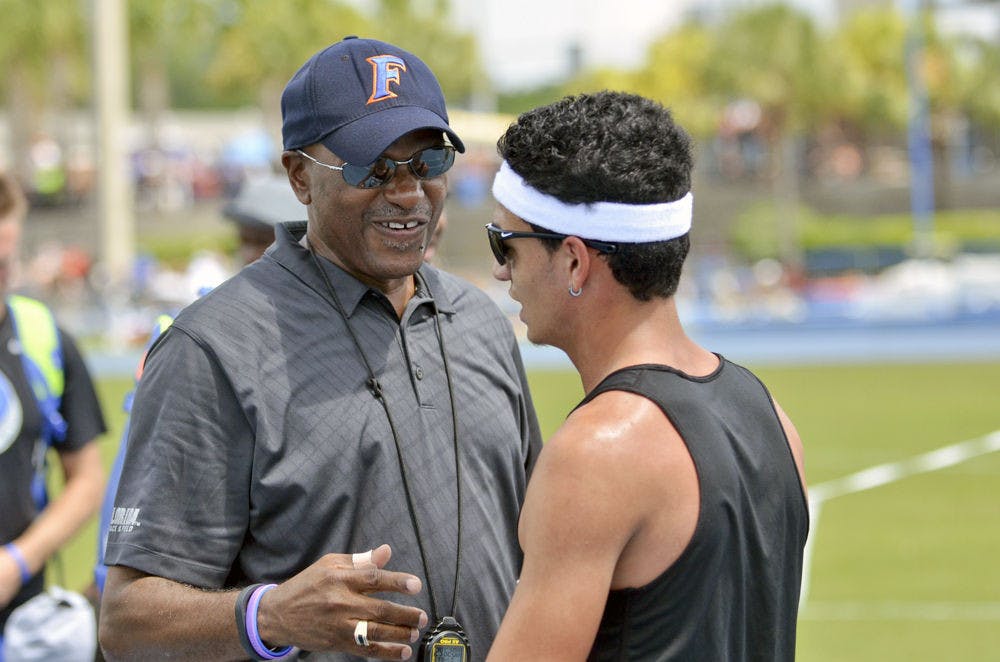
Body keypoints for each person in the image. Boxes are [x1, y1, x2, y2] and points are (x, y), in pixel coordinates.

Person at [99, 36, 541, 662]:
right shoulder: (213, 347)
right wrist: (270, 615)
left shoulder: (479, 322)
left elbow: (536, 545)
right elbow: (126, 622)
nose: (409, 193)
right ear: (300, 177)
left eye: (427, 164)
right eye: (372, 169)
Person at [484, 91, 809, 661]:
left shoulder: (597, 453)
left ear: (575, 261)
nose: (498, 268)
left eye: (506, 244)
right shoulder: (768, 412)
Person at [92, 173, 307, 598]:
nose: (254, 255)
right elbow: (137, 488)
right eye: (247, 241)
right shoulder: (195, 334)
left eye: (268, 241)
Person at [0, 171, 106, 641]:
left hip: (22, 621)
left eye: (4, 263)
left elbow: (86, 477)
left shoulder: (44, 338)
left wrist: (18, 560)